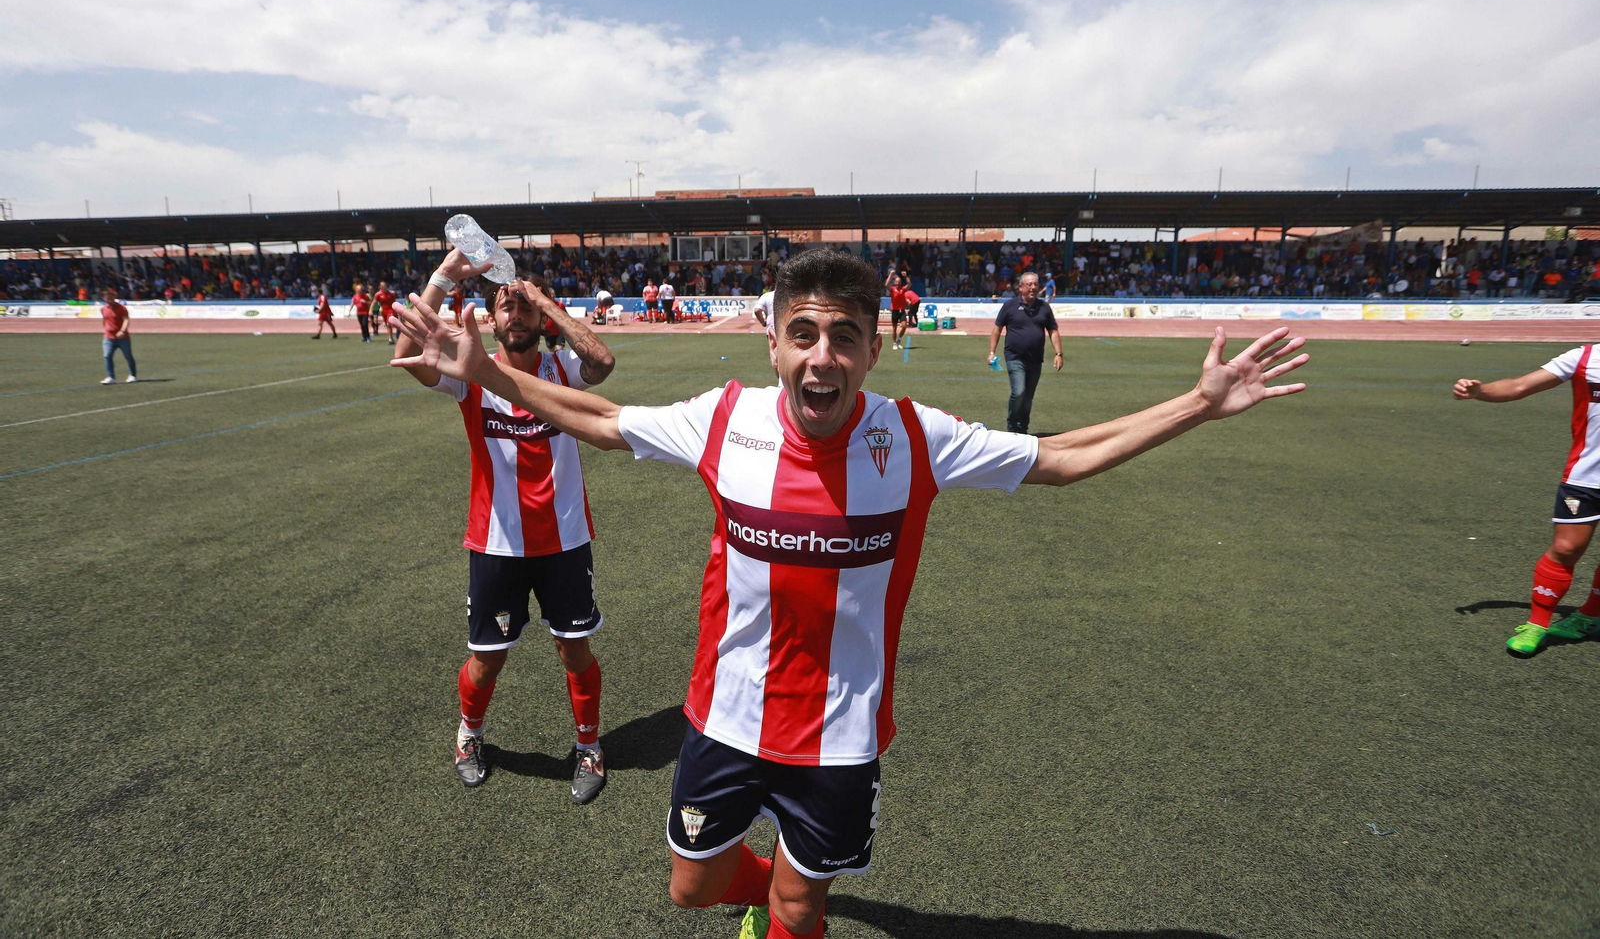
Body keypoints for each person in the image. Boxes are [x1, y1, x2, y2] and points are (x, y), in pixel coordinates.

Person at [389, 248, 1308, 939]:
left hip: (839, 734)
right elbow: (597, 416)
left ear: (873, 350)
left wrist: (1198, 405)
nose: (821, 357)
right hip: (725, 716)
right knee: (692, 887)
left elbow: (1063, 458)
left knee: (800, 909)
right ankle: (771, 895)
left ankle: (790, 911)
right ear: (775, 343)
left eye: (844, 338)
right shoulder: (727, 420)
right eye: (803, 335)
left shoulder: (913, 437)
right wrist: (486, 372)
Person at [395, 249, 618, 801]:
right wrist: (443, 277)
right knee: (488, 657)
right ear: (491, 321)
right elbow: (408, 356)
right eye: (505, 304)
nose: (515, 313)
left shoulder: (562, 370)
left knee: (575, 650)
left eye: (524, 306)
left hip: (565, 540)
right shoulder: (472, 372)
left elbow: (602, 360)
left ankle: (588, 745)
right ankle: (469, 735)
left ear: (539, 317)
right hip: (497, 544)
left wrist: (544, 299)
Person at [1455, 345, 1600, 656]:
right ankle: (1537, 624)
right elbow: (1519, 386)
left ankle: (1590, 616)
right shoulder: (1585, 357)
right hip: (1585, 477)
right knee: (1566, 548)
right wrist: (1481, 391)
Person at [987, 271, 1063, 433]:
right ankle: (1012, 424)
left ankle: (1022, 428)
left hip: (1035, 359)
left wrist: (1058, 354)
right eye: (1029, 284)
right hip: (1014, 357)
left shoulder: (1044, 307)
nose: (1033, 287)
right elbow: (997, 329)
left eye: (1035, 284)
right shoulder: (1010, 306)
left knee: (1028, 397)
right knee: (1019, 391)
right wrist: (991, 352)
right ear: (1020, 287)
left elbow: (1053, 330)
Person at [99, 287, 137, 384]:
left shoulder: (121, 308)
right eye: (107, 297)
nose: (109, 298)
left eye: (110, 296)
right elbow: (105, 320)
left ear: (114, 297)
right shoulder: (103, 309)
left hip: (123, 338)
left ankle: (132, 375)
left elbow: (126, 320)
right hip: (108, 337)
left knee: (128, 356)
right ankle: (111, 377)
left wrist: (122, 331)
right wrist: (106, 329)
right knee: (107, 356)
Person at [886, 270, 910, 348]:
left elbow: (909, 284)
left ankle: (899, 340)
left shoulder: (903, 289)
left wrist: (906, 276)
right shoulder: (892, 289)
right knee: (894, 328)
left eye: (899, 282)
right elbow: (886, 284)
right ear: (894, 282)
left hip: (902, 310)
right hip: (894, 310)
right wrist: (890, 274)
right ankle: (894, 343)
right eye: (896, 281)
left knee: (904, 326)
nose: (897, 283)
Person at [375, 281, 398, 346]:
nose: (383, 286)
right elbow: (374, 301)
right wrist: (371, 310)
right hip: (384, 311)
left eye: (384, 285)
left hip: (390, 310)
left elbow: (394, 302)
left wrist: (395, 311)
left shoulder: (391, 293)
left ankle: (393, 337)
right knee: (387, 325)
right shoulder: (378, 294)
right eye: (381, 285)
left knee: (389, 324)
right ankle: (390, 338)